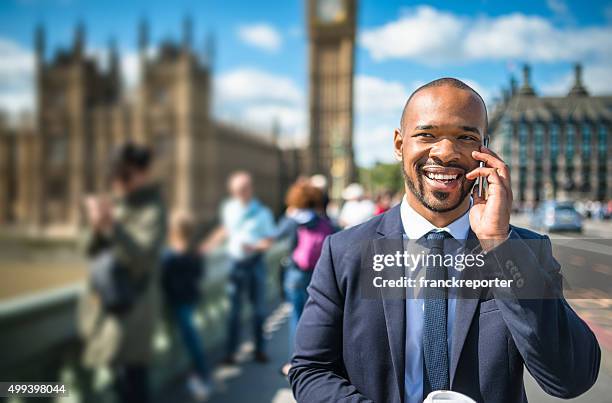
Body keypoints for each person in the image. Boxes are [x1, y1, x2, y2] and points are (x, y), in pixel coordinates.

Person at [289, 78, 600, 403]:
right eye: (427, 134)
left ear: (485, 149)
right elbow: (310, 371)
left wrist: (498, 244)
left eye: (466, 137)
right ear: (399, 144)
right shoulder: (344, 252)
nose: (446, 152)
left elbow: (571, 378)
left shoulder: (523, 251)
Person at [79, 142, 166, 403]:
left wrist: (112, 226)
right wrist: (96, 227)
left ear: (143, 174)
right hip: (105, 306)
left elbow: (142, 257)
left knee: (132, 382)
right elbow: (86, 250)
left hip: (133, 307)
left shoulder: (152, 208)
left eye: (125, 176)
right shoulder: (116, 203)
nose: (119, 182)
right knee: (119, 381)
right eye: (116, 176)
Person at [201, 171, 275, 364]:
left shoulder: (262, 212)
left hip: (255, 264)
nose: (240, 193)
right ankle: (231, 353)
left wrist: (254, 247)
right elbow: (225, 230)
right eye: (236, 190)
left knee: (258, 310)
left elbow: (269, 241)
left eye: (243, 189)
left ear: (250, 189)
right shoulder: (229, 208)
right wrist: (206, 247)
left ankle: (259, 349)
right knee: (234, 311)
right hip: (235, 265)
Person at [274, 180, 335, 377]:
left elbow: (275, 236)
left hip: (295, 273)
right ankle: (315, 359)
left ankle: (295, 361)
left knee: (296, 317)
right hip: (318, 274)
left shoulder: (292, 220)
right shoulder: (323, 221)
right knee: (317, 317)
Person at [161, 211, 212, 402]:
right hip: (190, 298)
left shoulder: (170, 255)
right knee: (190, 336)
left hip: (177, 301)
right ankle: (199, 374)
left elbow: (163, 278)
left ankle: (203, 375)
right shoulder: (195, 252)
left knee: (190, 338)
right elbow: (199, 274)